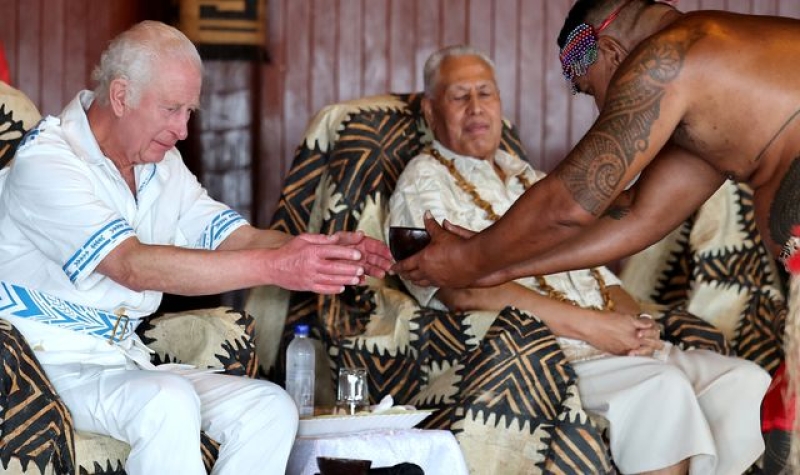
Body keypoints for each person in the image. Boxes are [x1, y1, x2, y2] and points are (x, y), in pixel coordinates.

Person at [0, 21, 393, 475]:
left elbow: (237, 239)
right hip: (39, 364)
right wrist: (277, 266)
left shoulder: (161, 166)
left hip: (121, 360)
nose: (183, 130)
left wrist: (322, 250)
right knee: (167, 401)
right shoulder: (48, 161)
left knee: (269, 407)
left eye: (189, 111)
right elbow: (130, 265)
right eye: (171, 109)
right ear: (122, 95)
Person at [388, 44, 770, 475]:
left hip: (608, 343)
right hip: (542, 353)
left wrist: (634, 328)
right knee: (662, 389)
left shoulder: (529, 177)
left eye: (486, 94)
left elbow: (601, 275)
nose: (476, 108)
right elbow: (459, 287)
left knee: (746, 383)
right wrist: (595, 327)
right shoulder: (424, 181)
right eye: (460, 97)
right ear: (429, 110)